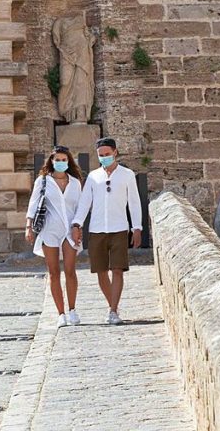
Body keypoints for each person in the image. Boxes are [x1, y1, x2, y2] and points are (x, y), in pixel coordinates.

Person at [71, 137, 143, 325]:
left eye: (107, 154)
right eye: (100, 155)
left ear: (115, 153)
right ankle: (114, 306)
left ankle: (112, 310)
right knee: (101, 271)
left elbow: (134, 202)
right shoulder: (93, 177)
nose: (104, 158)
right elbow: (85, 202)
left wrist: (137, 227)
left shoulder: (127, 175)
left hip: (119, 228)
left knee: (117, 269)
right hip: (96, 230)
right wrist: (77, 224)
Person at [27, 146, 84, 328]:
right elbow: (33, 204)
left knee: (70, 270)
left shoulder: (75, 183)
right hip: (49, 230)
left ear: (69, 161)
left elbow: (80, 207)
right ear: (51, 161)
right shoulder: (43, 181)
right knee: (53, 272)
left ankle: (73, 310)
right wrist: (29, 226)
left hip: (69, 229)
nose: (60, 162)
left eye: (63, 159)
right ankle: (60, 313)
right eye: (57, 159)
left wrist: (78, 226)